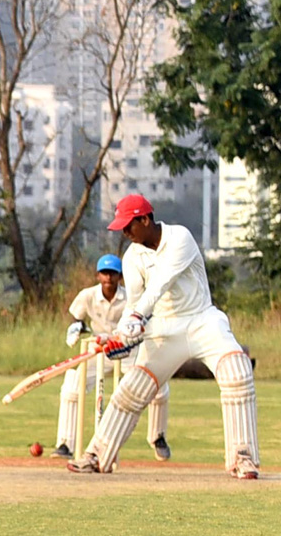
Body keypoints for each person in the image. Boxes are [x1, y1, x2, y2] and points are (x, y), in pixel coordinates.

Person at [68, 194, 259, 478]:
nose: (125, 233)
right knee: (133, 388)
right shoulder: (132, 256)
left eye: (129, 225)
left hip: (202, 320)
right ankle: (97, 455)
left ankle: (243, 458)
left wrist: (136, 317)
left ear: (145, 219)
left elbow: (160, 284)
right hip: (164, 329)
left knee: (237, 371)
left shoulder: (180, 237)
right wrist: (121, 335)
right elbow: (134, 303)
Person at [51, 255, 170, 461]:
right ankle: (64, 444)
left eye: (113, 274)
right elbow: (76, 319)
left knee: (159, 387)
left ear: (120, 277)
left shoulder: (131, 297)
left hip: (128, 351)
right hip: (99, 352)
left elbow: (142, 321)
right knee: (71, 386)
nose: (108, 278)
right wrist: (75, 329)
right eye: (105, 273)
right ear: (98, 275)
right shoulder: (87, 296)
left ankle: (157, 437)